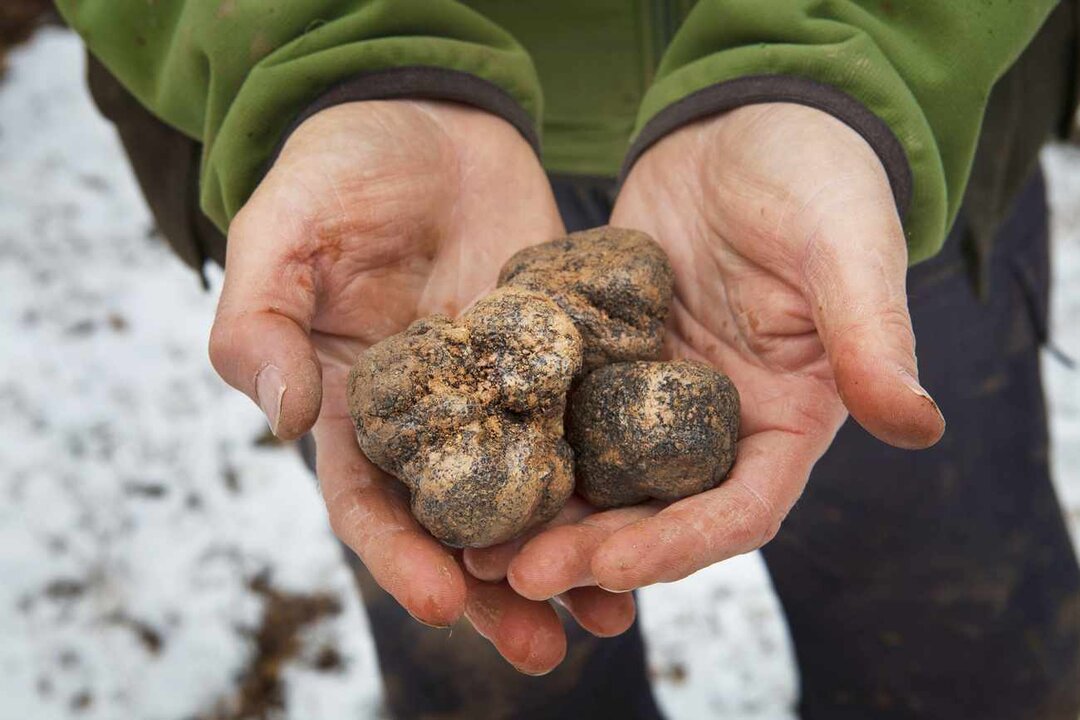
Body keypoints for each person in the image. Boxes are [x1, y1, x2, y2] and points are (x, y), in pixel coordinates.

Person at [59, 1, 1080, 718]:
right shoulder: (462, 362)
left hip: (863, 166)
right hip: (392, 211)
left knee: (964, 646)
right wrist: (318, 56)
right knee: (487, 656)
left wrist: (853, 53)